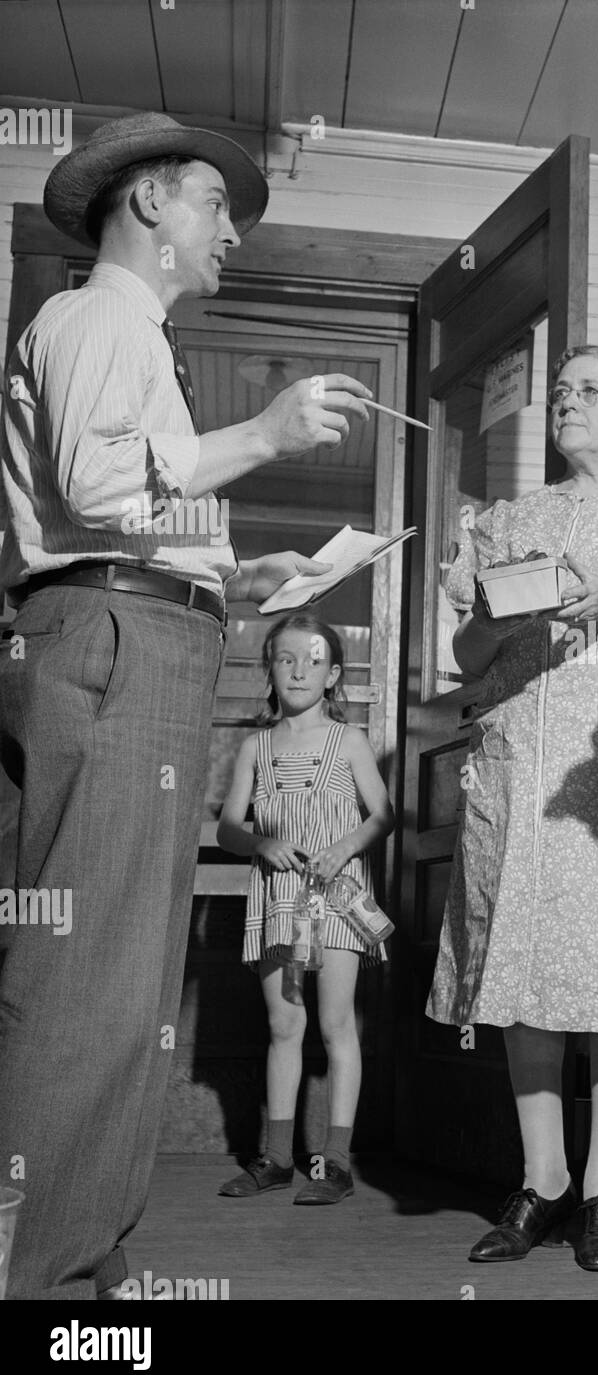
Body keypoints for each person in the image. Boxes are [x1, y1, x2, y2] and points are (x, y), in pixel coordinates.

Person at [0, 111, 373, 1299]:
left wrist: (239, 578)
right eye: (218, 207)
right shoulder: (98, 314)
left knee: (121, 973)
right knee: (90, 972)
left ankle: (81, 1243)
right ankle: (42, 1268)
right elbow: (103, 485)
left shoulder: (133, 337)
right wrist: (264, 433)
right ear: (152, 204)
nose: (232, 237)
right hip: (114, 643)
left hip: (144, 633)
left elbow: (129, 509)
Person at [427, 346, 598, 1273]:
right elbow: (467, 653)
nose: (568, 403)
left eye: (590, 391)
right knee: (523, 965)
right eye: (562, 391)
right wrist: (502, 615)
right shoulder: (511, 518)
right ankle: (541, 1182)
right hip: (515, 756)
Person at [216, 614, 394, 1206]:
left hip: (339, 900)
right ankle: (275, 1158)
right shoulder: (255, 747)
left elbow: (382, 814)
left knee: (336, 1025)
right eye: (286, 658)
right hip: (278, 900)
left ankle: (336, 1164)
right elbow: (227, 828)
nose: (298, 670)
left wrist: (343, 849)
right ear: (269, 667)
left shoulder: (350, 741)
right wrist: (261, 843)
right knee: (283, 1026)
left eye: (313, 660)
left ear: (334, 674)